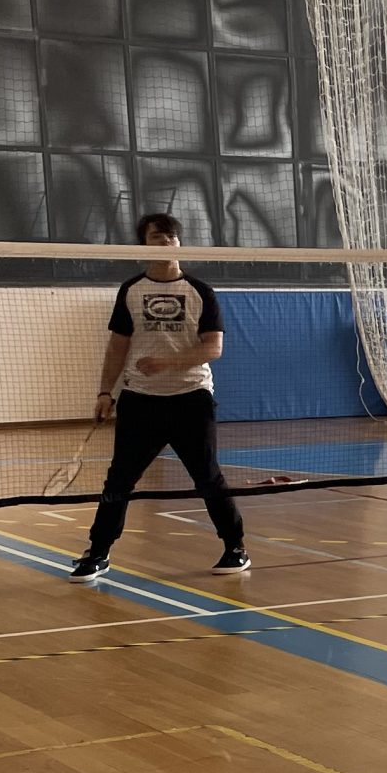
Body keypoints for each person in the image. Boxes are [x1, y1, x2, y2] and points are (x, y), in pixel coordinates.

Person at [68, 214, 250, 581]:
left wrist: (167, 362)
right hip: (140, 400)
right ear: (143, 246)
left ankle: (235, 547)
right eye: (157, 237)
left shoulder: (200, 291)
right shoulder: (131, 291)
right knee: (119, 481)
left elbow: (213, 348)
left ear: (179, 244)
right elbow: (117, 348)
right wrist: (104, 392)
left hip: (191, 399)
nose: (166, 243)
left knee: (208, 478)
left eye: (171, 237)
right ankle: (98, 552)